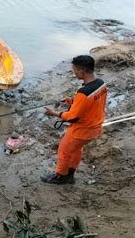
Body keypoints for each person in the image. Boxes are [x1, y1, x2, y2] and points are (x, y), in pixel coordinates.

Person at [42, 55, 107, 185]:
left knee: (64, 151)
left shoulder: (83, 92)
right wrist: (73, 101)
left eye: (75, 70)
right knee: (76, 149)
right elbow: (91, 104)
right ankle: (70, 174)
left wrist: (53, 113)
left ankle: (60, 176)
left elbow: (72, 117)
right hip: (95, 128)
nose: (74, 72)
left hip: (82, 130)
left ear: (82, 71)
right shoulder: (101, 84)